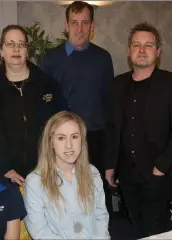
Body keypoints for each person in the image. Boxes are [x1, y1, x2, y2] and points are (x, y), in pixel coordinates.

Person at [105, 22, 172, 239]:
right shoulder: (117, 85)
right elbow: (113, 128)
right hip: (127, 175)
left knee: (155, 230)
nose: (142, 50)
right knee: (135, 226)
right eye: (136, 45)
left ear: (158, 51)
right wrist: (110, 165)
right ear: (129, 51)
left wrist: (160, 168)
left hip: (158, 175)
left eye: (148, 45)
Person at [0, 24, 68, 184]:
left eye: (21, 44)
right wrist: (2, 168)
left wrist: (53, 163)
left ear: (27, 51)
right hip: (6, 177)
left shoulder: (48, 85)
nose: (16, 49)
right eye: (10, 44)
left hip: (47, 173)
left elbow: (64, 126)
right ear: (1, 51)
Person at [39, 1, 114, 177]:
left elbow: (109, 104)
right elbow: (42, 104)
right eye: (74, 22)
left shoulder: (103, 58)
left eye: (85, 22)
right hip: (61, 141)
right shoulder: (49, 59)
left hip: (94, 140)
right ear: (66, 25)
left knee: (95, 195)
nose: (79, 28)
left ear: (92, 26)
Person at [24, 111, 110, 239]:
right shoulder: (35, 182)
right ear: (51, 142)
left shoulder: (93, 173)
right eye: (61, 138)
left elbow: (101, 216)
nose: (69, 145)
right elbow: (40, 232)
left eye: (74, 137)